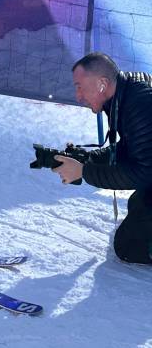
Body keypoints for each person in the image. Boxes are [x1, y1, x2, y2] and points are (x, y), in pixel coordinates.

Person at [53, 52, 152, 265]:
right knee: (138, 205)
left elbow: (144, 172)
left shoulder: (140, 103)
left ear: (102, 84)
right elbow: (132, 148)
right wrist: (88, 158)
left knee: (129, 247)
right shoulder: (125, 93)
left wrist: (83, 171)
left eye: (80, 87)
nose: (78, 96)